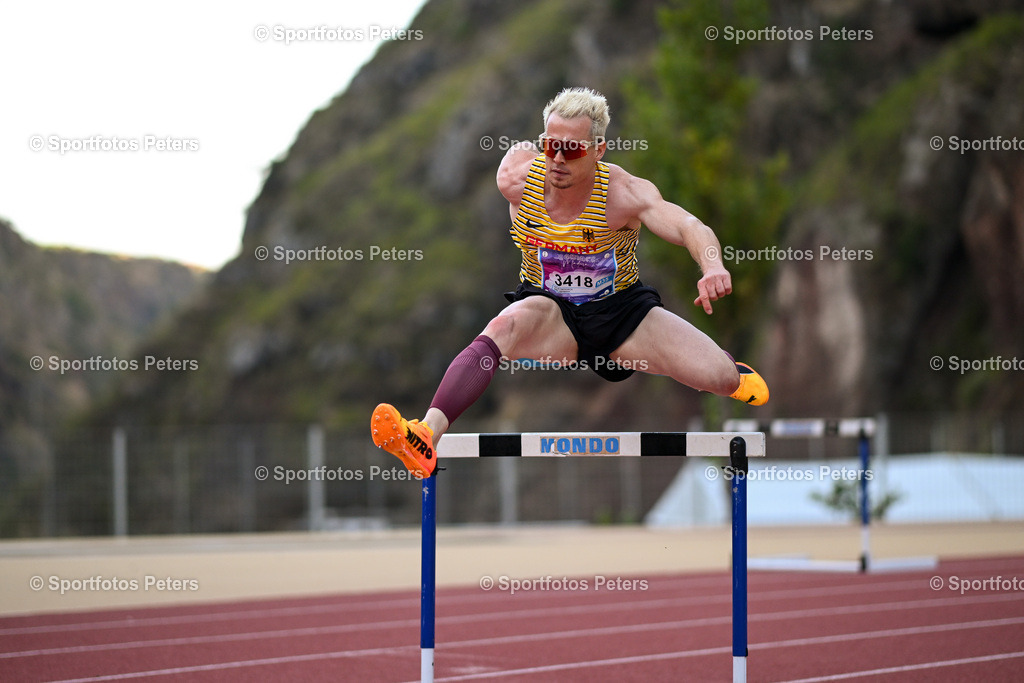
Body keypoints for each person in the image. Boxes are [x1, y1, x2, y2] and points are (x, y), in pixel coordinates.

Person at [371, 87, 768, 478]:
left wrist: (712, 266)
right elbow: (523, 155)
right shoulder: (516, 178)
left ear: (598, 150)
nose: (558, 159)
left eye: (572, 149)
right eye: (550, 145)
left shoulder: (623, 193)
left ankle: (733, 372)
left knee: (720, 377)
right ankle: (425, 433)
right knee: (502, 327)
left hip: (621, 315)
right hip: (550, 310)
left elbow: (688, 225)